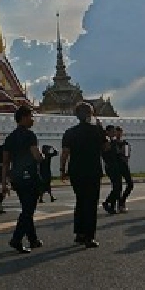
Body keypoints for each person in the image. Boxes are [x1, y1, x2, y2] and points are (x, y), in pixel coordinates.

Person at [60, 102, 106, 248]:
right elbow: (106, 147)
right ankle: (89, 236)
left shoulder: (70, 132)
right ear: (89, 115)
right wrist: (100, 127)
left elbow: (65, 153)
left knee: (80, 201)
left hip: (76, 171)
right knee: (91, 203)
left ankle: (79, 233)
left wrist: (62, 170)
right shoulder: (97, 131)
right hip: (92, 171)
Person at [2, 105, 43, 253]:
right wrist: (43, 156)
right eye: (31, 117)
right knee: (28, 210)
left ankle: (33, 239)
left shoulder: (10, 138)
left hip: (17, 178)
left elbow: (5, 163)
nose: (33, 120)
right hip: (30, 177)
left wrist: (4, 183)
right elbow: (36, 156)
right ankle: (16, 238)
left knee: (27, 208)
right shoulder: (30, 135)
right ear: (24, 118)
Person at [101, 125, 121, 215]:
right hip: (111, 166)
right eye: (112, 131)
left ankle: (112, 207)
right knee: (117, 187)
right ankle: (107, 202)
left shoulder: (112, 141)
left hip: (115, 165)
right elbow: (106, 151)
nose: (114, 133)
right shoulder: (106, 141)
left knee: (117, 187)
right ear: (107, 132)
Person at [113, 126, 134, 212]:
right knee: (118, 186)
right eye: (117, 132)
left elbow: (127, 155)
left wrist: (125, 154)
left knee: (130, 184)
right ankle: (119, 205)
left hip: (124, 165)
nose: (118, 134)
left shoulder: (125, 143)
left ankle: (122, 200)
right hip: (115, 166)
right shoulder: (112, 143)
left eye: (120, 132)